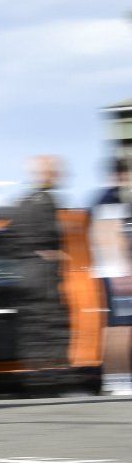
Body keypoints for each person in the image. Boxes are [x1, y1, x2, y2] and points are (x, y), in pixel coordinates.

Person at [10, 156, 68, 391]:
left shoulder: (22, 202)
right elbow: (48, 239)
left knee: (32, 328)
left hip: (24, 273)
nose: (60, 175)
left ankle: (35, 379)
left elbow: (13, 240)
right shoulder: (46, 201)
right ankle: (52, 380)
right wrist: (62, 256)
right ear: (46, 173)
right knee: (50, 325)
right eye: (56, 171)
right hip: (43, 274)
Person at [91, 156, 132, 395]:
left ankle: (118, 378)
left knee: (121, 326)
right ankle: (118, 380)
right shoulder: (112, 197)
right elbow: (110, 235)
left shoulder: (107, 198)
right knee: (121, 326)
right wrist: (124, 270)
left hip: (116, 271)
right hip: (119, 273)